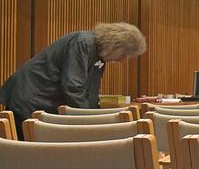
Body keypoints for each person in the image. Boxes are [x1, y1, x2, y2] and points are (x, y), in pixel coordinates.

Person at [0, 22, 146, 140]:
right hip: (29, 98)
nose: (123, 61)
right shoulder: (83, 42)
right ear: (116, 44)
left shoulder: (99, 56)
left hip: (41, 101)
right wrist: (91, 120)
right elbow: (73, 86)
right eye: (125, 54)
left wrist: (95, 116)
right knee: (27, 157)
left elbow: (90, 93)